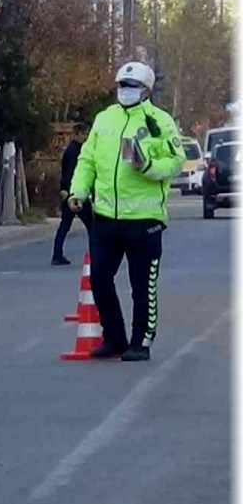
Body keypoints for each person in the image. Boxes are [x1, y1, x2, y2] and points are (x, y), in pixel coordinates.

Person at [68, 62, 182, 362]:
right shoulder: (105, 119)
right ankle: (114, 337)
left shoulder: (160, 122)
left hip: (144, 221)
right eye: (121, 85)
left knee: (141, 286)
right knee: (100, 279)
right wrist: (78, 191)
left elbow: (175, 162)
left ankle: (140, 341)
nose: (124, 91)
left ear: (145, 90)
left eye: (131, 87)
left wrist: (147, 167)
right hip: (106, 218)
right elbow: (87, 160)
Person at [51, 122, 92, 265]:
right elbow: (69, 172)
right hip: (75, 194)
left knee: (66, 225)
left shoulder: (75, 149)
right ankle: (96, 253)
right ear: (76, 134)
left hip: (72, 192)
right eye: (84, 134)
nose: (86, 137)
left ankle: (57, 254)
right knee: (91, 225)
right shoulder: (75, 151)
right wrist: (67, 190)